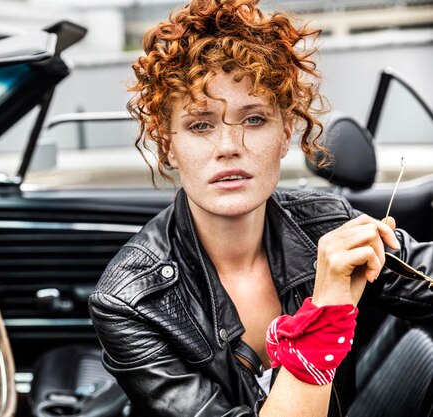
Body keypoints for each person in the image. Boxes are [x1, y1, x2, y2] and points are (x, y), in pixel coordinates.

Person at [88, 0, 433, 416]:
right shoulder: (130, 301)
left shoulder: (327, 225)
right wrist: (323, 315)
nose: (229, 147)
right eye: (200, 125)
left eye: (253, 120)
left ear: (286, 132)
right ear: (168, 146)